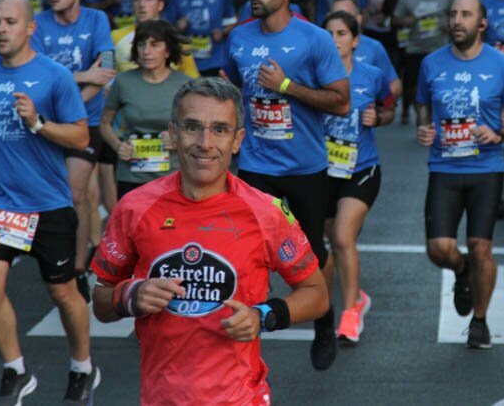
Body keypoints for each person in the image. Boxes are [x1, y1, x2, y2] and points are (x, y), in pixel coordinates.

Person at [91, 77, 328, 405]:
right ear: (173, 134)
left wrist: (263, 316)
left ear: (237, 140)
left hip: (241, 397)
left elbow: (317, 294)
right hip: (161, 397)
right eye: (192, 127)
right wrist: (130, 295)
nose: (205, 142)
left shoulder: (266, 212)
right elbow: (101, 302)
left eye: (219, 129)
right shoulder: (134, 207)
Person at [0, 0, 100, 404]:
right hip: (1, 205)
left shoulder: (54, 76)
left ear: (29, 29)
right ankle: (17, 369)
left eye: (10, 22)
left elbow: (80, 137)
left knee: (62, 292)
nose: (1, 29)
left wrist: (38, 123)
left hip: (48, 204)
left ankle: (82, 366)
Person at [223, 0, 349, 371]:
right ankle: (244, 323)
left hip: (306, 167)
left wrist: (287, 88)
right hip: (257, 166)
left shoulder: (314, 40)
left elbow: (340, 100)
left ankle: (325, 320)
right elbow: (232, 92)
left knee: (310, 251)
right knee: (248, 250)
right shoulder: (239, 38)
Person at [416, 0, 504, 349]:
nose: (457, 20)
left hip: (486, 166)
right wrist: (424, 129)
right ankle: (462, 272)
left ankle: (479, 322)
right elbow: (423, 105)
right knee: (439, 249)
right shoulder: (431, 64)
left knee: (480, 247)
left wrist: (500, 134)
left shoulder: (502, 66)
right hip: (444, 165)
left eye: (465, 15)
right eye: (452, 14)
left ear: (481, 24)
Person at [33, 0, 116, 296]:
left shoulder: (97, 19)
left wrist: (72, 102)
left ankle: (77, 266)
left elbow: (107, 68)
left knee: (76, 192)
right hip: (45, 122)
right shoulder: (38, 24)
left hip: (87, 120)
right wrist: (81, 75)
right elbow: (38, 74)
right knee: (50, 194)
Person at [320, 11, 394, 344]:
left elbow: (389, 106)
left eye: (341, 34)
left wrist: (379, 116)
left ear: (355, 40)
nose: (334, 40)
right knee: (324, 242)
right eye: (329, 34)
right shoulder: (311, 76)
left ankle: (350, 314)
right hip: (321, 171)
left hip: (362, 169)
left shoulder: (372, 76)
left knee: (341, 236)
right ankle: (351, 299)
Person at [99, 20, 191, 200]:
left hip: (172, 175)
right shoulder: (123, 82)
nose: (146, 51)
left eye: (154, 45)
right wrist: (118, 146)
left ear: (168, 50)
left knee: (168, 227)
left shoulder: (184, 84)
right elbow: (104, 123)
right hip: (130, 175)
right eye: (141, 45)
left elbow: (197, 128)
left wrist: (178, 139)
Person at [392, 0, 453, 123]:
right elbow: (395, 20)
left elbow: (454, 19)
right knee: (413, 86)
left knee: (437, 86)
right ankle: (417, 113)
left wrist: (449, 26)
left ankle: (431, 116)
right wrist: (405, 21)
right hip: (414, 48)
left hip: (439, 48)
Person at [330, 0, 402, 98]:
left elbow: (394, 84)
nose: (340, 22)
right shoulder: (319, 47)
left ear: (359, 19)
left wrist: (382, 106)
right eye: (335, 16)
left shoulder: (373, 47)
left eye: (346, 16)